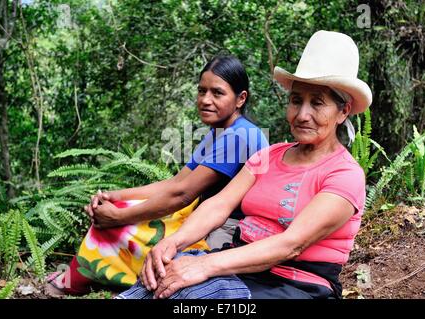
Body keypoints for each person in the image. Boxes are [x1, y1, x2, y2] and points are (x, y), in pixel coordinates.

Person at [119, 30, 372, 299]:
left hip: (295, 285)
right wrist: (172, 243)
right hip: (238, 268)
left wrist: (203, 264)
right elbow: (219, 205)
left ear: (343, 112)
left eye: (317, 103)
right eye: (296, 101)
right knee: (162, 277)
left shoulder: (345, 174)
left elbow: (292, 244)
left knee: (191, 296)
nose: (302, 115)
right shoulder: (269, 156)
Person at [45, 55, 269, 295]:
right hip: (204, 219)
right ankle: (90, 275)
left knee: (128, 227)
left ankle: (84, 279)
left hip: (226, 231)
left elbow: (182, 194)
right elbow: (176, 182)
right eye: (201, 91)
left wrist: (119, 217)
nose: (205, 100)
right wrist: (113, 197)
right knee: (122, 211)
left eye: (217, 93)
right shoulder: (220, 133)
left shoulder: (240, 136)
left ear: (240, 99)